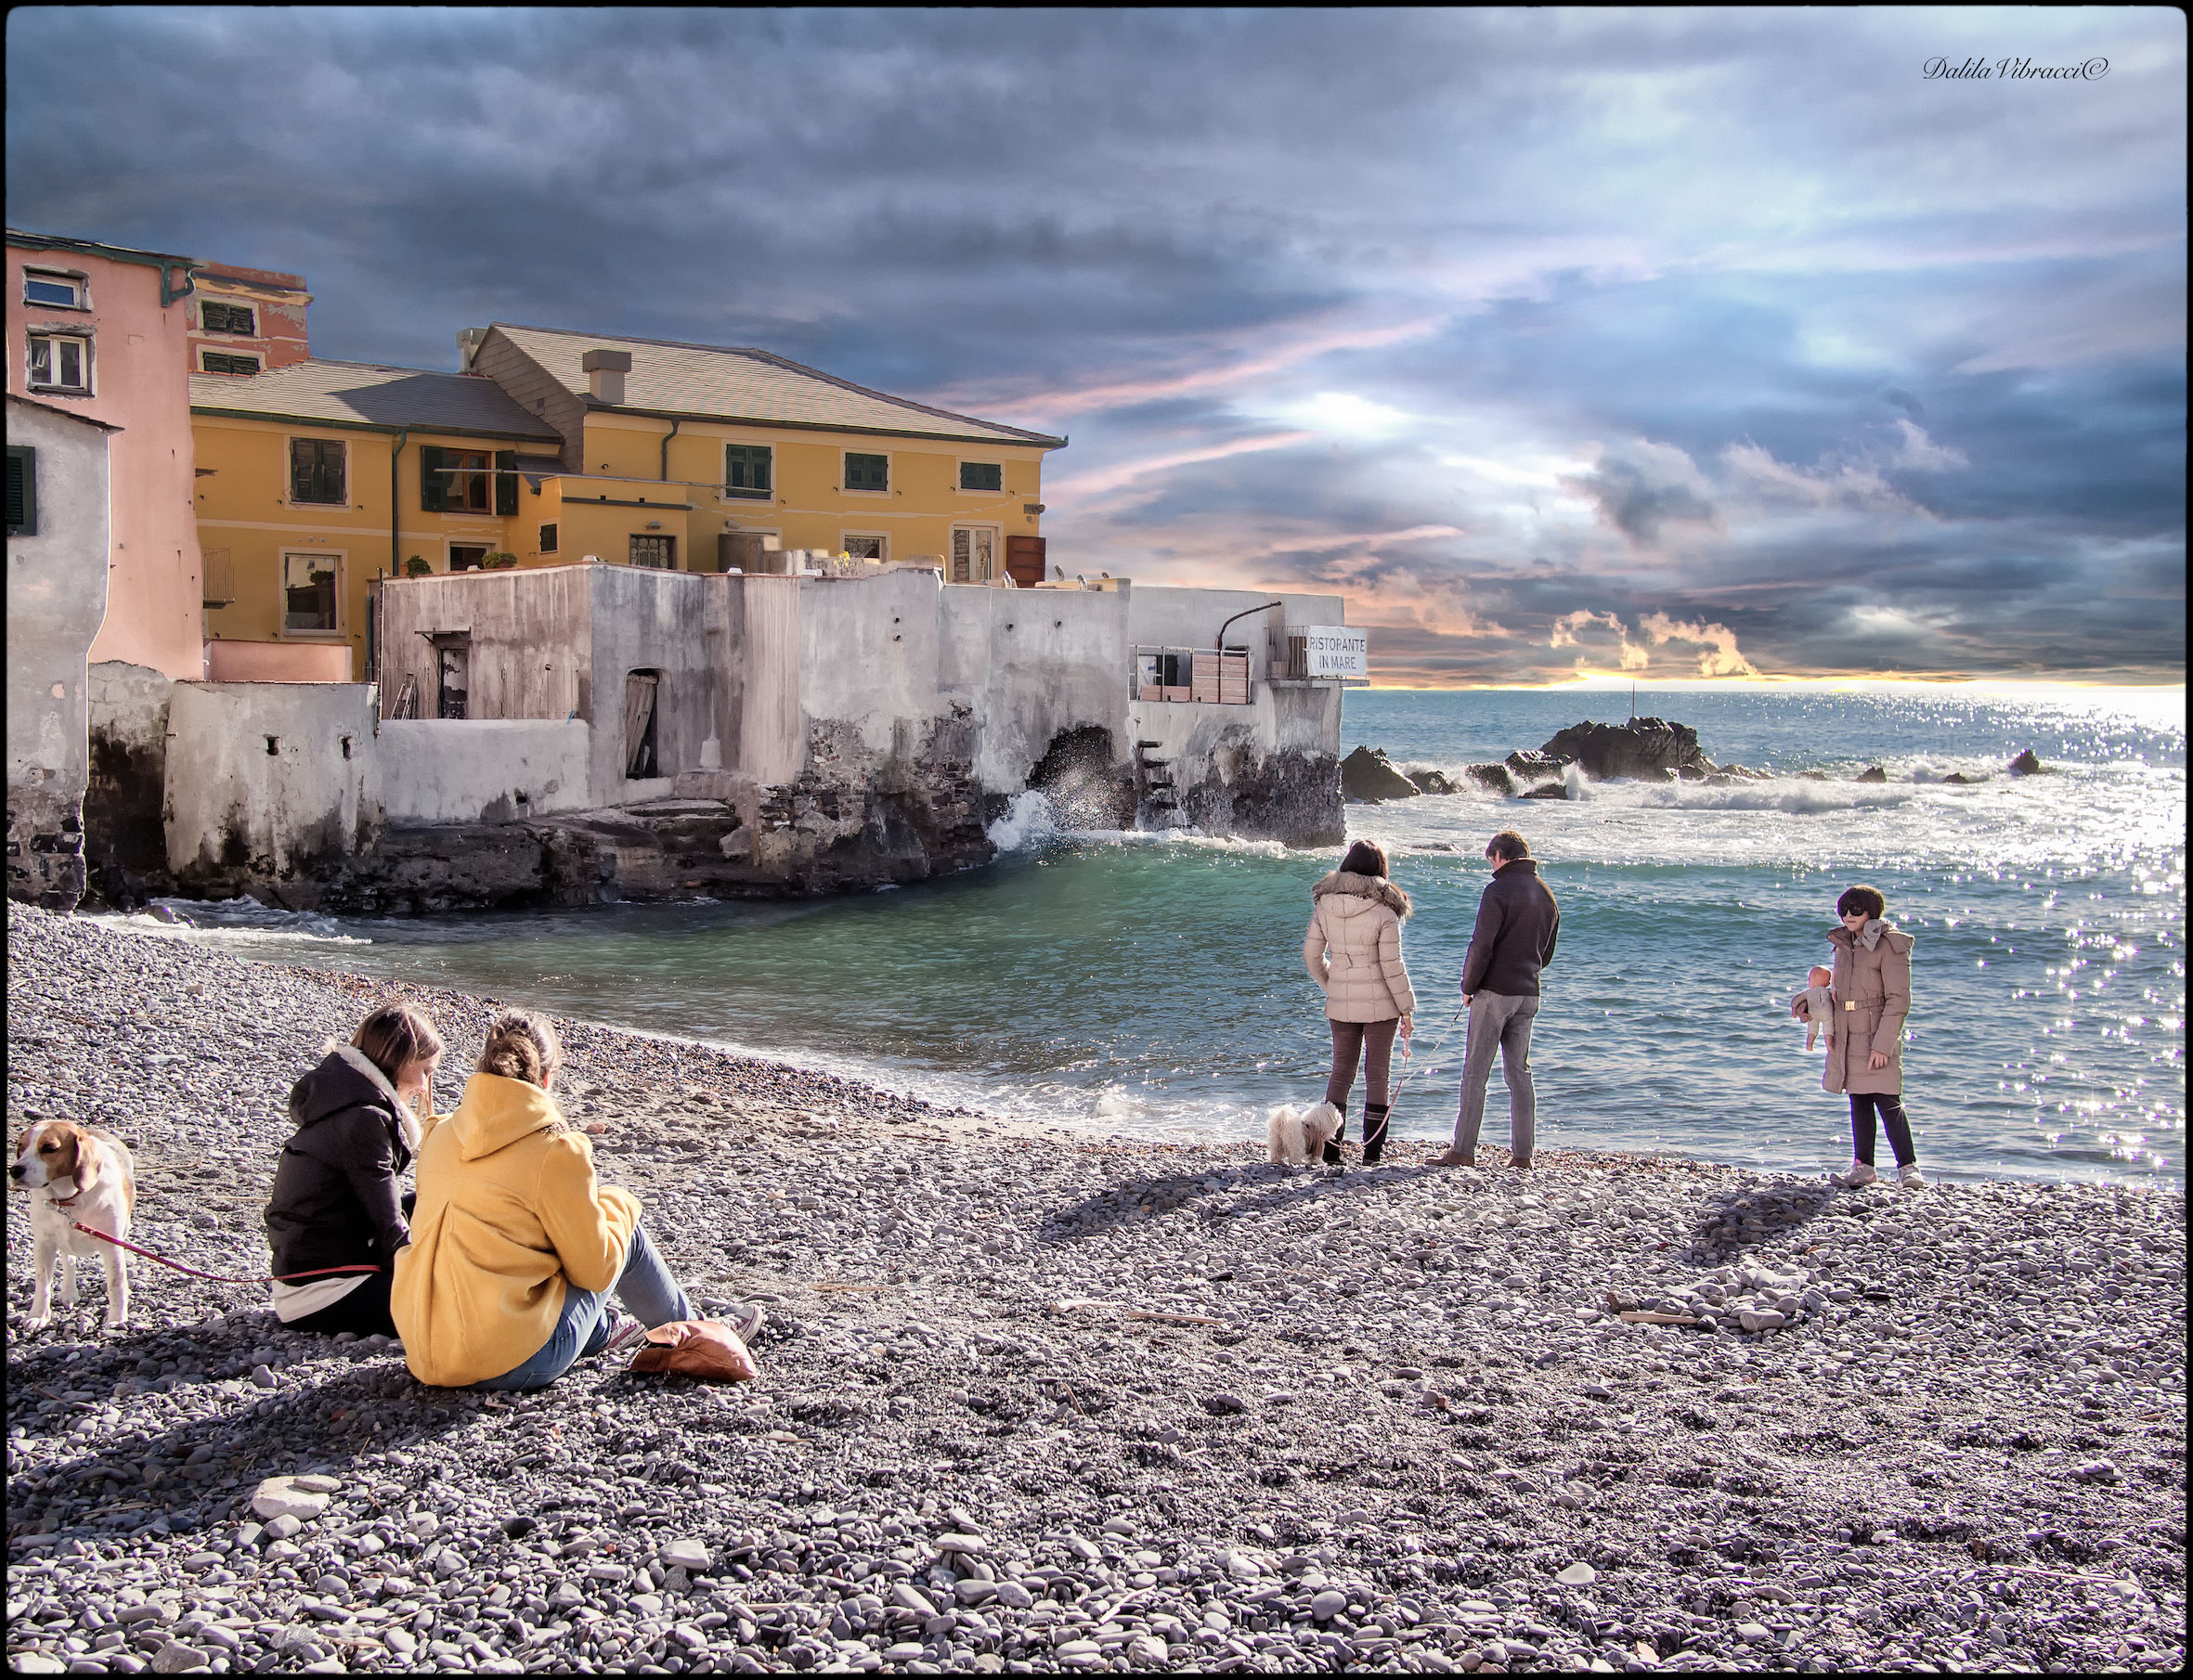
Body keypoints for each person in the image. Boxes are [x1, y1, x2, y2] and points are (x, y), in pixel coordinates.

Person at [391, 1009, 737, 1390]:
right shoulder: (554, 1150)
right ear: (546, 1077)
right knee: (621, 1227)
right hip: (509, 1364)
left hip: (427, 1353)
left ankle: (606, 1331)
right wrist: (622, 1206)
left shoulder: (439, 1134)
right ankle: (696, 1337)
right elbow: (596, 1272)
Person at [265, 1003, 444, 1338]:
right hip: (323, 1293)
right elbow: (389, 1227)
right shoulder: (365, 1119)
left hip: (311, 1272)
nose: (424, 1085)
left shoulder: (345, 1098)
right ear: (398, 1061)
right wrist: (429, 1275)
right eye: (424, 1070)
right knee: (461, 1301)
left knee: (440, 1200)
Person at [1436, 830, 1559, 1170]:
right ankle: (1523, 1155)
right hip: (1528, 992)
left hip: (1494, 993)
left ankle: (1463, 1151)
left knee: (1476, 1072)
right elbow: (1547, 952)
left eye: (1491, 861)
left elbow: (1481, 945)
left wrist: (1468, 985)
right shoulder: (1546, 893)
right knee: (1519, 1073)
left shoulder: (1497, 890)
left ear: (1500, 856)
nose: (1491, 868)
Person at [1795, 885, 1926, 1188]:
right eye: (1843, 909)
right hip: (1848, 1032)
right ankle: (1864, 1167)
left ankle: (1908, 1168)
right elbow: (1839, 992)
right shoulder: (1844, 943)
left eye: (1855, 909)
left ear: (1872, 911)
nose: (1848, 915)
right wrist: (1814, 1007)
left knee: (1888, 1099)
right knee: (1859, 1100)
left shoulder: (1890, 944)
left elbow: (1898, 1000)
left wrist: (1883, 1045)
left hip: (1876, 1032)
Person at [1303, 838, 1417, 1166]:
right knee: (1377, 1075)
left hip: (1340, 1003)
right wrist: (1406, 1009)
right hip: (1382, 1006)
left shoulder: (1325, 904)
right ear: (1380, 869)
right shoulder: (1386, 910)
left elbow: (1311, 956)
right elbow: (1392, 966)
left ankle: (1331, 1151)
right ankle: (1372, 1155)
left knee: (1341, 1073)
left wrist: (1333, 983)